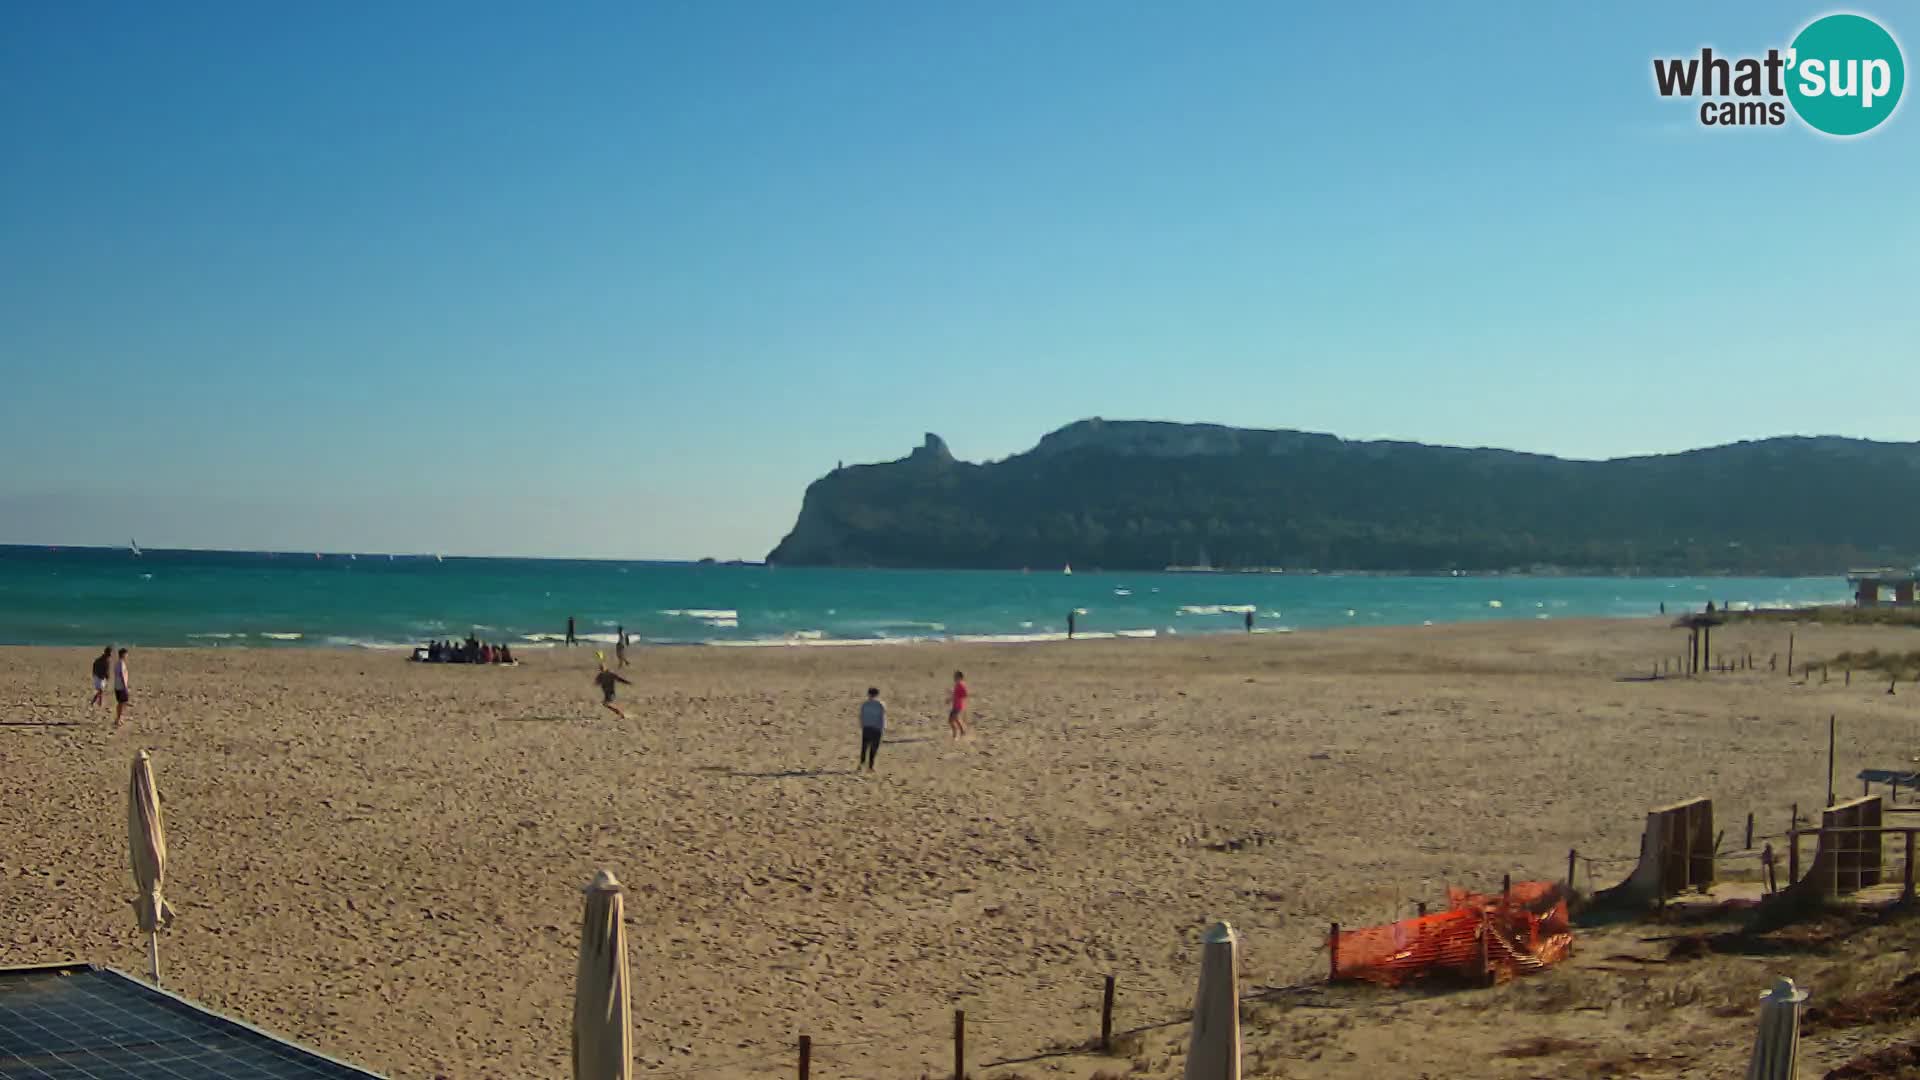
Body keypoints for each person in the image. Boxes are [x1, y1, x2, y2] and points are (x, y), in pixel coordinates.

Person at [859, 687, 886, 770]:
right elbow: (882, 718)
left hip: (866, 728)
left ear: (868, 694)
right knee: (874, 748)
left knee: (864, 747)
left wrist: (863, 726)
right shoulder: (880, 704)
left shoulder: (865, 704)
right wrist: (883, 728)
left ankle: (862, 764)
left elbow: (861, 717)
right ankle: (870, 766)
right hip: (877, 729)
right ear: (877, 694)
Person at [112, 648, 132, 727]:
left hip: (117, 685)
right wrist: (125, 686)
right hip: (121, 686)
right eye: (126, 654)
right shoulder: (121, 664)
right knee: (122, 703)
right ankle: (118, 718)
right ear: (123, 655)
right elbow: (122, 675)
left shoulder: (118, 663)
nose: (127, 656)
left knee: (121, 703)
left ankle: (119, 718)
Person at [948, 670, 969, 739]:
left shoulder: (961, 684)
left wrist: (960, 698)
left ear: (959, 677)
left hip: (959, 706)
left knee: (953, 719)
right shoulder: (957, 684)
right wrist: (950, 699)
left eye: (955, 676)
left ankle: (956, 734)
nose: (954, 678)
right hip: (955, 705)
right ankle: (962, 732)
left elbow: (965, 694)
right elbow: (955, 694)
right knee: (952, 720)